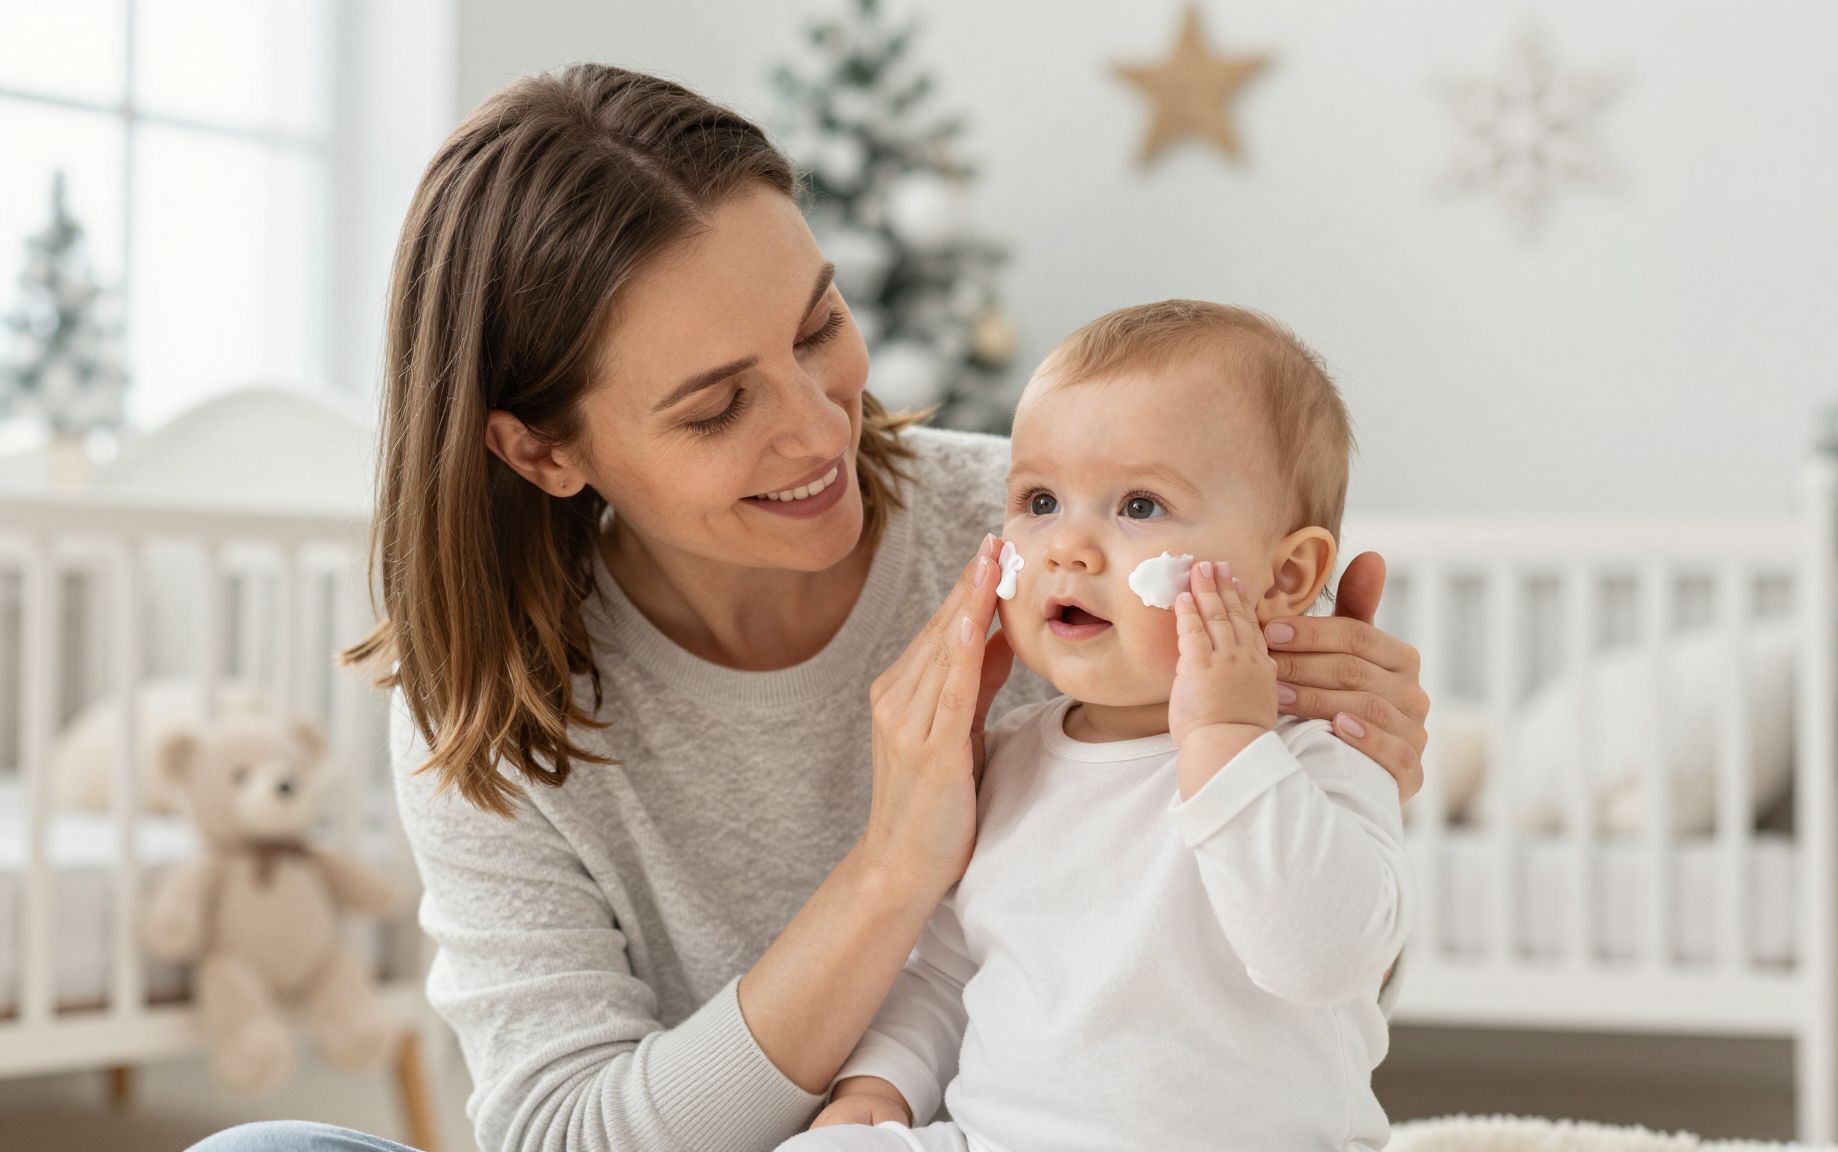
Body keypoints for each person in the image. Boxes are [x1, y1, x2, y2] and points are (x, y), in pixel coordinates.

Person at [189, 66, 1430, 1152]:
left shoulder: (1054, 550)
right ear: (540, 452)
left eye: (818, 324)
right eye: (715, 405)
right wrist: (894, 870)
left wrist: (1317, 771)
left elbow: (1277, 1014)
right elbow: (559, 1136)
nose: (818, 424)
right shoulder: (490, 695)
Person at [784, 301, 1409, 1152]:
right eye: (1039, 499)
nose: (1067, 548)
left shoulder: (1317, 754)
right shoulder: (1003, 763)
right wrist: (878, 1085)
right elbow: (945, 972)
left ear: (1285, 576)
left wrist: (1228, 738)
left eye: (1141, 507)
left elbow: (1327, 960)